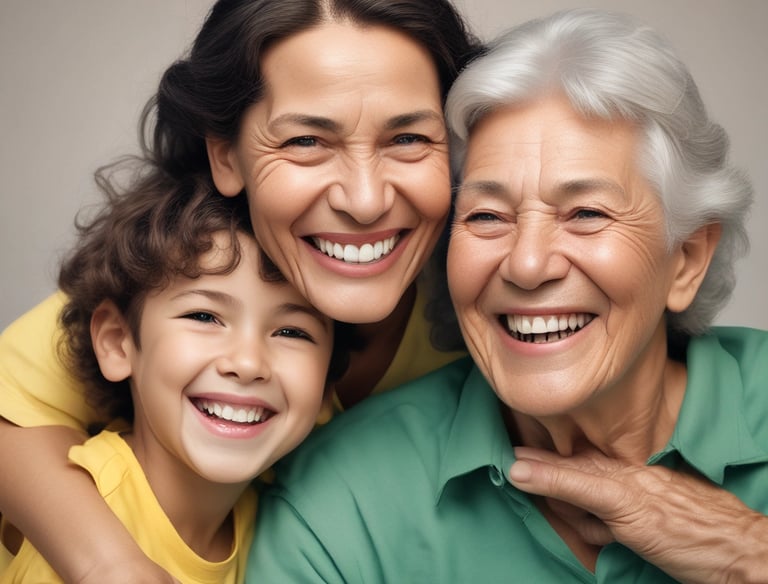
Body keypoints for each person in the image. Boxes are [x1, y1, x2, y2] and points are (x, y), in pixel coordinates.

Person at [245, 9, 767, 583]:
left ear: (687, 259)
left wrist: (750, 554)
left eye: (586, 214)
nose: (526, 264)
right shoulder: (339, 507)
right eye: (488, 216)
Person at [0, 1, 477, 582]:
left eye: (407, 137)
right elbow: (12, 417)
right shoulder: (195, 258)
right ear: (227, 155)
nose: (366, 199)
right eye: (305, 140)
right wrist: (110, 563)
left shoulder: (494, 290)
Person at [1, 158, 346, 583]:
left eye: (292, 331)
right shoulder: (88, 509)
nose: (247, 363)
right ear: (116, 342)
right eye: (204, 317)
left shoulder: (283, 530)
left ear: (329, 384)